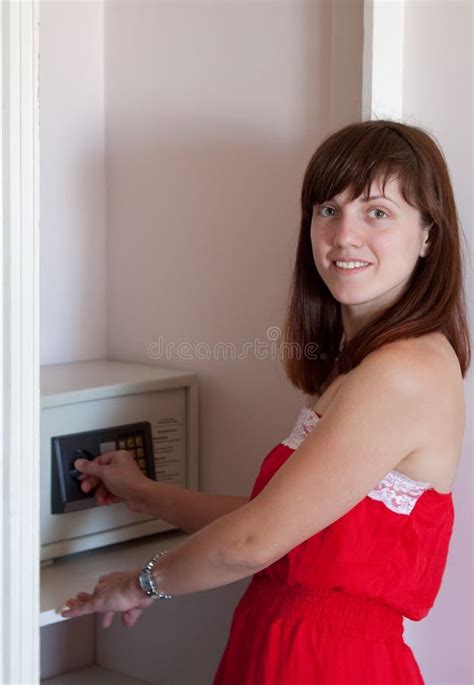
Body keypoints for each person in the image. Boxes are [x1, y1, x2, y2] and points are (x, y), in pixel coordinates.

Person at [61, 119, 470, 684]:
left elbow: (254, 543)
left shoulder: (405, 372)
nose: (344, 235)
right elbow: (276, 523)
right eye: (328, 209)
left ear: (429, 234)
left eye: (377, 212)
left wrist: (140, 583)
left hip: (329, 665)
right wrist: (146, 494)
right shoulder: (363, 363)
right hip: (279, 643)